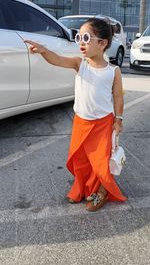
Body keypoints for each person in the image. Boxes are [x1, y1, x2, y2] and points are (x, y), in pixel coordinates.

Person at [24, 18, 127, 212]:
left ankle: (102, 191)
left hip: (103, 124)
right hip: (81, 122)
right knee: (79, 159)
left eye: (86, 38)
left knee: (101, 161)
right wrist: (44, 50)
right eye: (79, 37)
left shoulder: (114, 71)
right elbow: (58, 60)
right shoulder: (80, 64)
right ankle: (81, 187)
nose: (81, 42)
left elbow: (117, 97)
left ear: (102, 43)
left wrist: (118, 119)